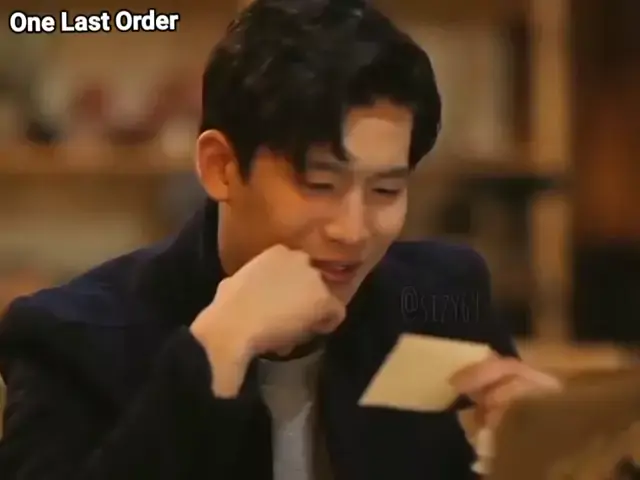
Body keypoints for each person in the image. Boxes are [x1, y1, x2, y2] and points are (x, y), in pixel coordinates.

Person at [0, 0, 560, 478]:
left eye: (386, 190)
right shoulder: (73, 338)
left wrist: (544, 452)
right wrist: (217, 348)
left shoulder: (438, 297)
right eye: (319, 184)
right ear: (221, 167)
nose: (353, 230)